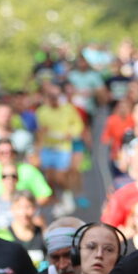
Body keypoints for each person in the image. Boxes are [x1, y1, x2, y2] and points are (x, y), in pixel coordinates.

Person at [36, 83, 85, 212]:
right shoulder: (42, 111)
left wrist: (71, 133)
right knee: (50, 177)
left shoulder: (68, 109)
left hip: (62, 146)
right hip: (48, 146)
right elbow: (40, 130)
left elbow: (78, 125)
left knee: (60, 175)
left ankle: (67, 194)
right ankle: (58, 199)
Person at [0, 139, 53, 207]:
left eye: (10, 152)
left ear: (15, 153)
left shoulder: (29, 170)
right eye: (2, 153)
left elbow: (45, 195)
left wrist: (26, 207)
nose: (7, 155)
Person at [8, 191, 47, 266]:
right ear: (12, 209)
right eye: (19, 207)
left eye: (28, 207)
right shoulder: (5, 234)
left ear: (35, 208)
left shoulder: (42, 232)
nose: (24, 213)